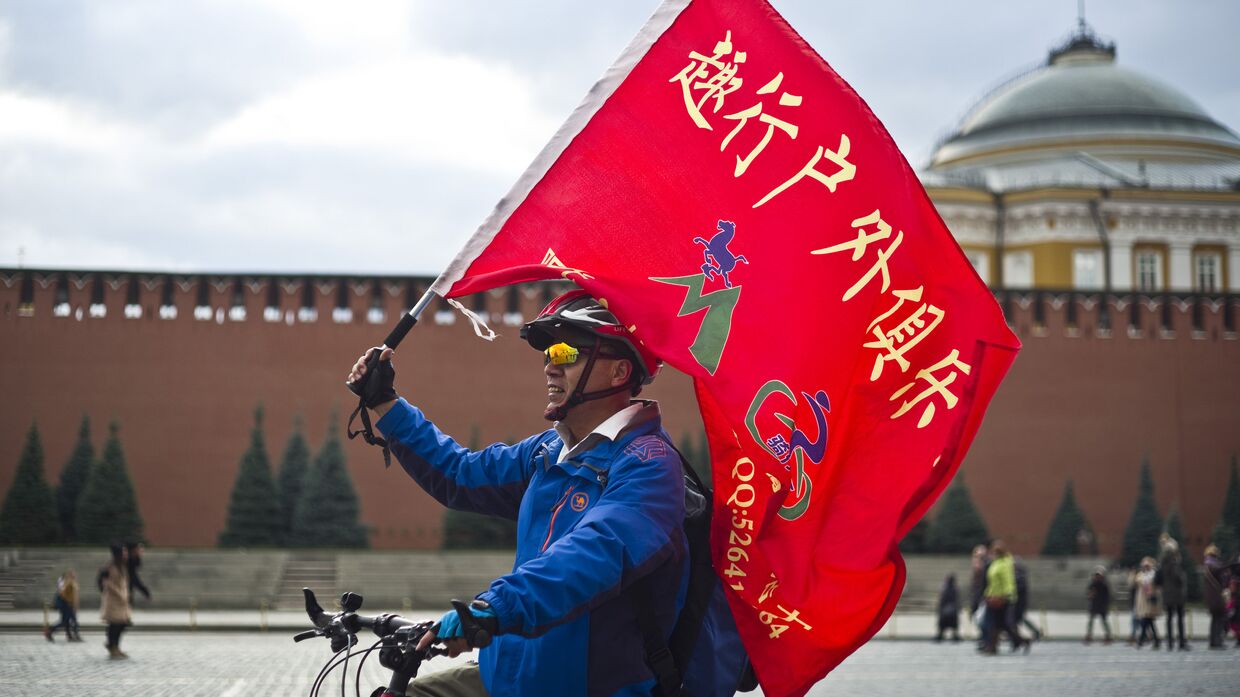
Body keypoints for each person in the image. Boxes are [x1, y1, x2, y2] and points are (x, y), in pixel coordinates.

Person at [347, 290, 739, 697]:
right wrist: (386, 404)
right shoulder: (548, 453)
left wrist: (493, 608)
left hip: (584, 687)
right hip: (510, 676)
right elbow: (461, 475)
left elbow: (596, 552)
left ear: (620, 371)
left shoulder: (649, 464)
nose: (551, 366)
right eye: (548, 353)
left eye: (567, 352)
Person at [979, 540, 1025, 654]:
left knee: (1006, 624)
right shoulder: (994, 563)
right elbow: (991, 582)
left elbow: (1008, 581)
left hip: (1003, 599)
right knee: (991, 623)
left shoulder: (1005, 563)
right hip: (993, 598)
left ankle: (1021, 641)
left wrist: (1007, 595)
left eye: (996, 552)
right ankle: (991, 647)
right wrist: (987, 594)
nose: (994, 554)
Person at [99, 544, 131, 659]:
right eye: (124, 553)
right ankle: (113, 647)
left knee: (122, 624)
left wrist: (125, 595)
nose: (126, 555)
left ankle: (114, 646)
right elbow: (108, 583)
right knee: (115, 625)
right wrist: (120, 594)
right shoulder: (111, 567)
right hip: (113, 601)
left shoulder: (121, 566)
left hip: (121, 602)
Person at [1156, 537, 1188, 650]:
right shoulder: (1174, 563)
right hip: (1177, 594)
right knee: (1180, 618)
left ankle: (1169, 643)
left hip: (1167, 594)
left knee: (1169, 618)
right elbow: (1178, 577)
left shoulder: (1162, 564)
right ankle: (1181, 643)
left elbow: (1157, 579)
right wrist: (1183, 578)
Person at [1202, 544, 1229, 649]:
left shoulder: (1206, 564)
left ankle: (1213, 641)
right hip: (1217, 596)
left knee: (1214, 619)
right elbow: (1222, 575)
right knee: (1219, 618)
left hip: (1211, 597)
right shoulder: (1213, 564)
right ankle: (1217, 642)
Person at [44, 570, 81, 642]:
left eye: (74, 575)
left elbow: (74, 595)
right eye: (72, 575)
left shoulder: (72, 583)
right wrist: (69, 602)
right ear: (69, 576)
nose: (74, 576)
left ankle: (70, 635)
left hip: (68, 605)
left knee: (66, 621)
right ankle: (50, 630)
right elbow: (63, 594)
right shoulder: (68, 583)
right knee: (70, 621)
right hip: (67, 605)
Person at [1134, 556, 1161, 649]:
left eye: (1147, 566)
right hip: (1143, 601)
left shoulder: (1153, 574)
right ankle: (1156, 641)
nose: (1146, 567)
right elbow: (1137, 581)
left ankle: (1141, 640)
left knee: (1146, 620)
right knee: (1149, 621)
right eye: (1144, 566)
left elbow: (1156, 585)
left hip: (1150, 600)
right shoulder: (1141, 574)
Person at [1012, 557, 1041, 641]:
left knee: (1019, 618)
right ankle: (1015, 635)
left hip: (1019, 602)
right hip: (1019, 602)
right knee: (1018, 619)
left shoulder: (1019, 577)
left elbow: (1017, 589)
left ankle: (1035, 632)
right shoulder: (1020, 576)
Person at [1084, 566, 1112, 644]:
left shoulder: (1104, 585)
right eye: (1097, 575)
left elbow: (1108, 597)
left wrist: (1106, 605)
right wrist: (1090, 595)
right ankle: (1089, 635)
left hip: (1102, 605)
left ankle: (1108, 635)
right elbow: (1088, 594)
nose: (1098, 577)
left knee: (1104, 621)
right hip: (1094, 604)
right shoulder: (1092, 584)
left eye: (1099, 575)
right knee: (1091, 621)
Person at [935, 573, 961, 642]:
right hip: (952, 609)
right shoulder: (954, 588)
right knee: (952, 624)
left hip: (946, 609)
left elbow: (941, 599)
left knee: (944, 624)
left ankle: (941, 635)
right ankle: (953, 635)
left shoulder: (945, 588)